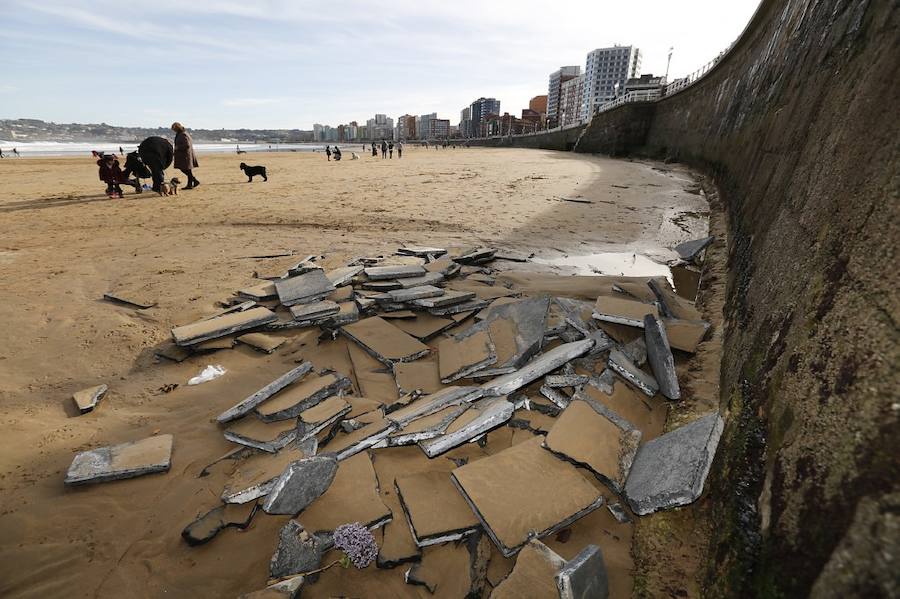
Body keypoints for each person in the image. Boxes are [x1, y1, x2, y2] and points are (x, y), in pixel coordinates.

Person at [172, 122, 199, 189]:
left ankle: (192, 183)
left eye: (174, 129)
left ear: (177, 128)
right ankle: (193, 182)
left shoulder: (183, 134)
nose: (173, 130)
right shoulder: (182, 133)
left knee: (186, 170)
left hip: (185, 155)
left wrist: (178, 147)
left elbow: (187, 145)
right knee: (187, 170)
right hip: (184, 155)